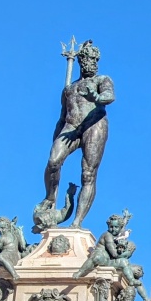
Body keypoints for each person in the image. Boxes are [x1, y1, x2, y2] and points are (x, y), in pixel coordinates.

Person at [42, 39, 114, 229]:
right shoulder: (69, 89)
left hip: (94, 124)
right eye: (88, 61)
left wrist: (96, 97)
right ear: (82, 62)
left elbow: (109, 96)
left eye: (94, 61)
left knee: (88, 174)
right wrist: (56, 137)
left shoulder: (102, 80)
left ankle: (77, 222)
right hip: (71, 127)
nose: (91, 65)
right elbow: (62, 116)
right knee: (53, 162)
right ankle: (50, 197)